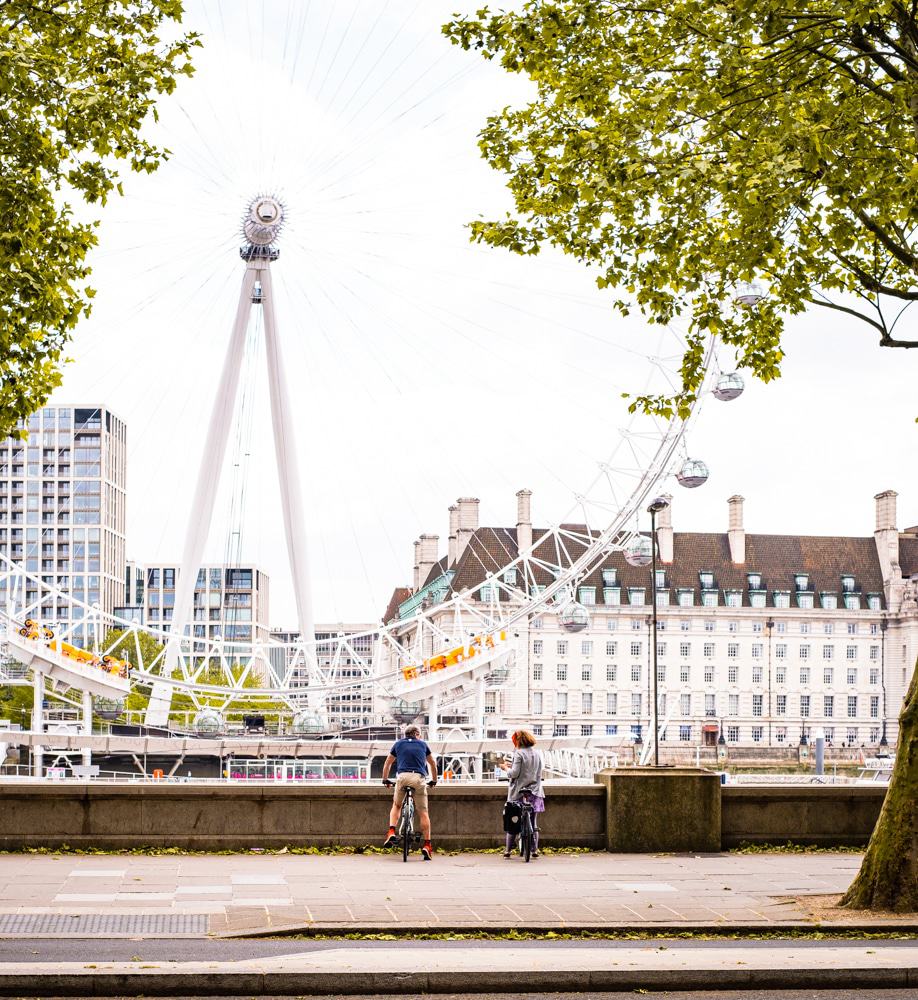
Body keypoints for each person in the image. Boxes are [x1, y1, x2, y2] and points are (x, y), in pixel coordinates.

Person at [382, 724, 438, 860]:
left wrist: (385, 780)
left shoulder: (398, 744)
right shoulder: (423, 745)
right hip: (418, 778)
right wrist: (434, 780)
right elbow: (432, 764)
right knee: (423, 812)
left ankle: (391, 831)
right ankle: (427, 845)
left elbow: (387, 763)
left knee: (397, 805)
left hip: (402, 777)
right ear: (417, 734)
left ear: (406, 734)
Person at [498, 729, 545, 859]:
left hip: (518, 792)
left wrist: (505, 768)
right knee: (533, 822)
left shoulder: (519, 754)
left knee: (513, 821)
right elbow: (538, 772)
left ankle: (507, 851)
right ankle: (534, 850)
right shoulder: (537, 753)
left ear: (517, 741)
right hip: (535, 791)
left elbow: (514, 774)